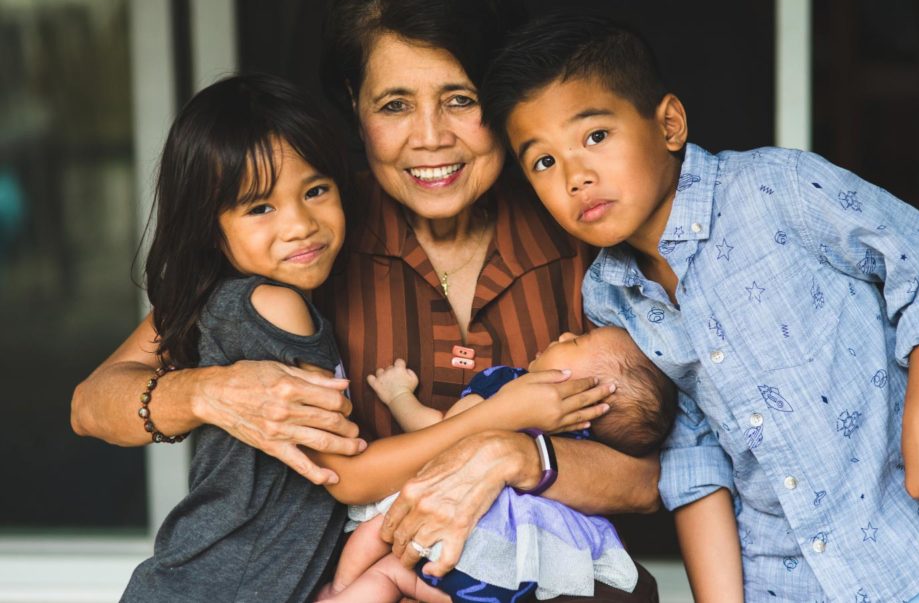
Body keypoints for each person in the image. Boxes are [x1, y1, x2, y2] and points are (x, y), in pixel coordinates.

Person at [70, 0, 662, 601]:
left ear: (501, 95)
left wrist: (519, 456)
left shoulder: (576, 228)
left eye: (459, 99)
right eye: (395, 105)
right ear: (354, 104)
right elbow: (95, 403)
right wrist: (208, 392)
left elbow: (660, 477)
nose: (430, 136)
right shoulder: (312, 230)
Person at [480, 14, 919, 602]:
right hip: (783, 577)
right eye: (543, 162)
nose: (576, 176)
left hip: (912, 544)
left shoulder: (778, 189)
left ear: (669, 124)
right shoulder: (611, 297)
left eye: (595, 136)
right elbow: (692, 452)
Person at [118, 72, 610, 601]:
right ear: (211, 229)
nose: (300, 224)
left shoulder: (238, 302)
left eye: (315, 191)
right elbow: (345, 478)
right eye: (261, 208)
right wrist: (502, 416)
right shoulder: (275, 306)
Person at [319, 326, 675, 602]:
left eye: (578, 341)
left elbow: (440, 430)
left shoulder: (511, 388)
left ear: (592, 391)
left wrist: (398, 396)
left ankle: (340, 588)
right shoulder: (593, 441)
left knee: (380, 537)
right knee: (395, 577)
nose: (566, 333)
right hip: (519, 568)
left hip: (463, 535)